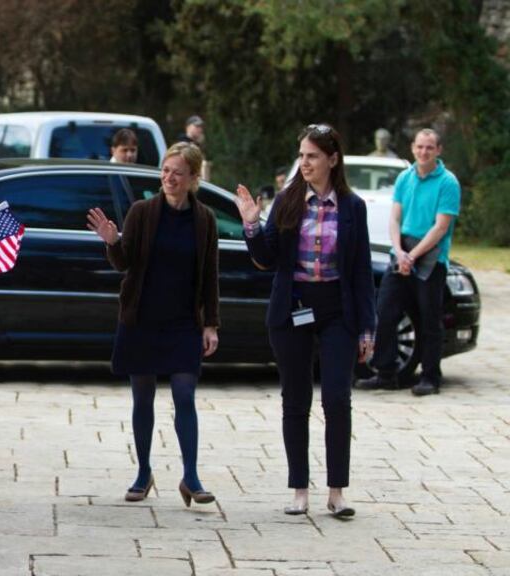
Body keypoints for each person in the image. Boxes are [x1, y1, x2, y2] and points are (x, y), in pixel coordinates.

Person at [235, 124, 375, 519]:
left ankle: (337, 492)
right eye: (301, 155)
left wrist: (368, 327)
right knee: (295, 400)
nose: (305, 163)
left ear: (332, 159)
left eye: (312, 156)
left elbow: (362, 270)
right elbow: (266, 258)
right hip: (292, 307)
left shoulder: (353, 207)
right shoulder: (287, 201)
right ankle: (299, 490)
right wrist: (251, 224)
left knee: (336, 398)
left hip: (338, 311)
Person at [86, 141, 220, 506]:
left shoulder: (204, 219)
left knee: (184, 395)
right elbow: (124, 262)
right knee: (142, 398)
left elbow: (209, 274)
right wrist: (113, 241)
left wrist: (211, 324)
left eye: (177, 173)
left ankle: (191, 476)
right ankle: (143, 472)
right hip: (142, 317)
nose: (169, 178)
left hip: (183, 322)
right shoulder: (142, 212)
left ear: (193, 178)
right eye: (165, 171)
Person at [357, 128, 461, 396]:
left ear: (438, 150)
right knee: (385, 311)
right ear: (412, 148)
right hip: (402, 253)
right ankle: (386, 373)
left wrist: (413, 257)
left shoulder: (448, 182)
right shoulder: (404, 178)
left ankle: (429, 377)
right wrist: (400, 252)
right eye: (420, 147)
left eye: (429, 147)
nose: (423, 152)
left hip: (431, 258)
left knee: (429, 318)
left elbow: (440, 228)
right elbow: (394, 219)